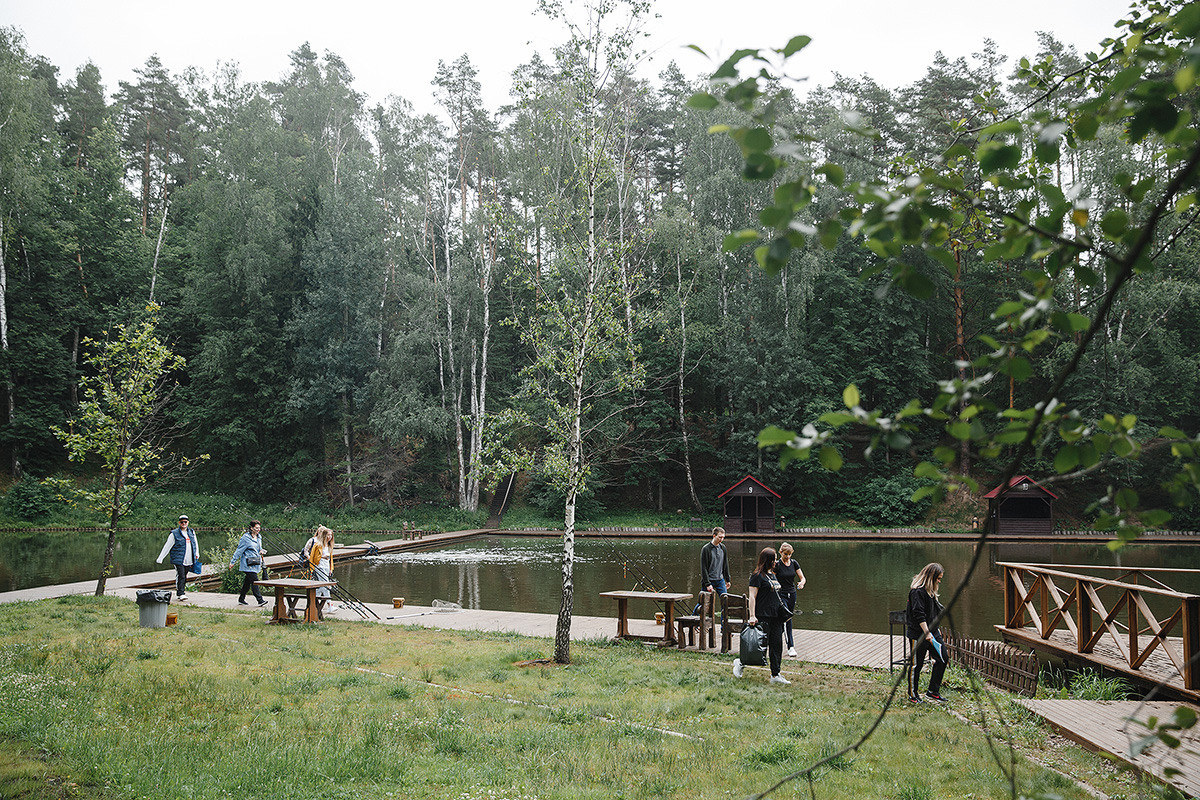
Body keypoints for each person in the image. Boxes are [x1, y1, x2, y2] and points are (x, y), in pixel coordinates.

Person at [733, 547, 791, 685]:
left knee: (777, 645)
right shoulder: (757, 576)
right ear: (768, 560)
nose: (776, 562)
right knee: (758, 646)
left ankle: (775, 674)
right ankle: (740, 663)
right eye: (774, 559)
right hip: (763, 616)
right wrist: (752, 616)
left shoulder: (773, 575)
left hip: (776, 617)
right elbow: (752, 597)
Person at [906, 562, 947, 703]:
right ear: (931, 577)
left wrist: (935, 631)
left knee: (943, 658)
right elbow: (919, 614)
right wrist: (927, 633)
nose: (939, 581)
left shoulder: (931, 592)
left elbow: (933, 613)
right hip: (918, 633)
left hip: (933, 632)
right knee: (916, 665)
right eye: (938, 578)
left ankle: (932, 691)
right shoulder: (917, 592)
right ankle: (913, 695)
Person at [155, 514, 199, 601]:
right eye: (182, 522)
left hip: (189, 558)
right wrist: (161, 558)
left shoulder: (191, 532)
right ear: (179, 523)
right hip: (178, 559)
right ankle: (181, 593)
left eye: (185, 522)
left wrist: (197, 553)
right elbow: (167, 546)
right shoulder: (174, 534)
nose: (183, 523)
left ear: (188, 522)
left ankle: (180, 592)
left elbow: (195, 543)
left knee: (184, 575)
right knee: (181, 575)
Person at [775, 542, 806, 658]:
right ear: (780, 553)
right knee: (787, 618)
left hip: (792, 594)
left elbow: (802, 578)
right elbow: (772, 579)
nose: (788, 557)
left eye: (789, 554)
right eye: (785, 554)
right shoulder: (777, 565)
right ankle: (790, 647)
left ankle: (773, 639)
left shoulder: (794, 563)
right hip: (781, 595)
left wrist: (801, 583)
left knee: (788, 618)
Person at [230, 520, 268, 607]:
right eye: (256, 528)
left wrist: (261, 551)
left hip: (256, 563)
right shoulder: (245, 538)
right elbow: (239, 550)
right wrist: (232, 562)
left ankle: (241, 599)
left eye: (259, 528)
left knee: (247, 582)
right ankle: (260, 600)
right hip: (247, 564)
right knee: (255, 581)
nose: (258, 530)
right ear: (251, 528)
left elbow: (259, 548)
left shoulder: (259, 537)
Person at [307, 525, 335, 620]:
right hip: (319, 567)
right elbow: (312, 557)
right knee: (326, 585)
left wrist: (331, 569)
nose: (329, 537)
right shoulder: (318, 545)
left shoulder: (330, 545)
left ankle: (313, 603)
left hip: (326, 567)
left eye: (331, 535)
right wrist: (312, 568)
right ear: (324, 535)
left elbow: (331, 559)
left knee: (320, 587)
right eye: (328, 535)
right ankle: (329, 605)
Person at [700, 526, 732, 597]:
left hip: (720, 580)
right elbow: (703, 568)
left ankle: (723, 608)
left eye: (723, 537)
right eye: (720, 537)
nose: (722, 539)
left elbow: (725, 564)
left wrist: (728, 579)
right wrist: (707, 584)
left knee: (725, 600)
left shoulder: (723, 548)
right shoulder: (706, 549)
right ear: (714, 536)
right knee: (702, 602)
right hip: (709, 580)